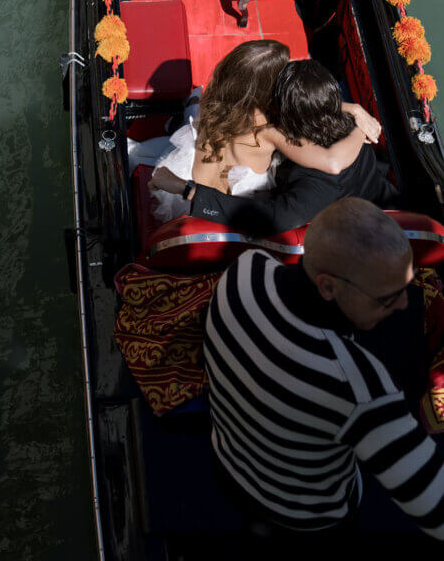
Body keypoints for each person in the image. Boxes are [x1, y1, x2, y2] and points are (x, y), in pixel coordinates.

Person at [204, 199, 444, 537]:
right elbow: (436, 509)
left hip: (229, 465)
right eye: (388, 298)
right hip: (308, 518)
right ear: (328, 286)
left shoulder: (244, 270)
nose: (404, 303)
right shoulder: (360, 386)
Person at [148, 46, 380, 222]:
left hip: (189, 167)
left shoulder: (219, 101)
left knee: (195, 104)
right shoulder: (271, 128)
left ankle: (186, 107)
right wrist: (358, 123)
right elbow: (332, 162)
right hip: (226, 200)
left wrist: (350, 108)